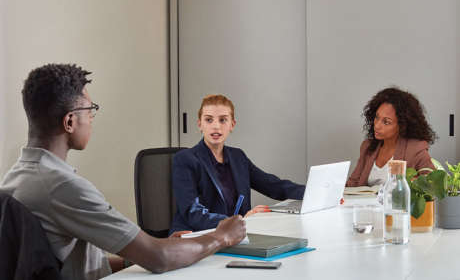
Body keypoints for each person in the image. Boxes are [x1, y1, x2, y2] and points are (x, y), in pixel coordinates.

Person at [0, 64, 246, 280]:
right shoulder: (63, 188)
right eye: (90, 110)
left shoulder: (16, 177)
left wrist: (134, 258)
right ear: (70, 122)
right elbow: (158, 257)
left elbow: (74, 266)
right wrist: (221, 237)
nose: (92, 119)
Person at [169, 94, 305, 234]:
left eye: (223, 120)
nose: (216, 126)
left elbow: (274, 186)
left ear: (232, 125)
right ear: (200, 124)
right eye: (209, 120)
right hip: (196, 236)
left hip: (233, 236)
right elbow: (194, 214)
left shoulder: (238, 157)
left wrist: (312, 192)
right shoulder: (185, 159)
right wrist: (239, 221)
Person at [346, 87, 437, 188]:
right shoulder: (368, 146)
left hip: (396, 204)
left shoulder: (416, 149)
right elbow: (353, 182)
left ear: (402, 125)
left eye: (386, 122)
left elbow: (433, 183)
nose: (377, 126)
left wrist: (413, 183)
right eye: (377, 117)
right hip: (365, 203)